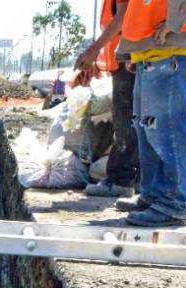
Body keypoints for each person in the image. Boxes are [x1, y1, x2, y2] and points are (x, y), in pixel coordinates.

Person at [114, 0, 186, 227]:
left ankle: (172, 203)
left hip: (175, 38)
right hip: (156, 43)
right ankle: (153, 196)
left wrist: (175, 22)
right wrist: (135, 50)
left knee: (167, 126)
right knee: (147, 126)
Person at [75, 0, 138, 198]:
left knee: (126, 121)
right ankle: (136, 180)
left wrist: (94, 49)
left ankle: (121, 180)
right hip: (127, 57)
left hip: (129, 57)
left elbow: (122, 16)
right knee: (132, 121)